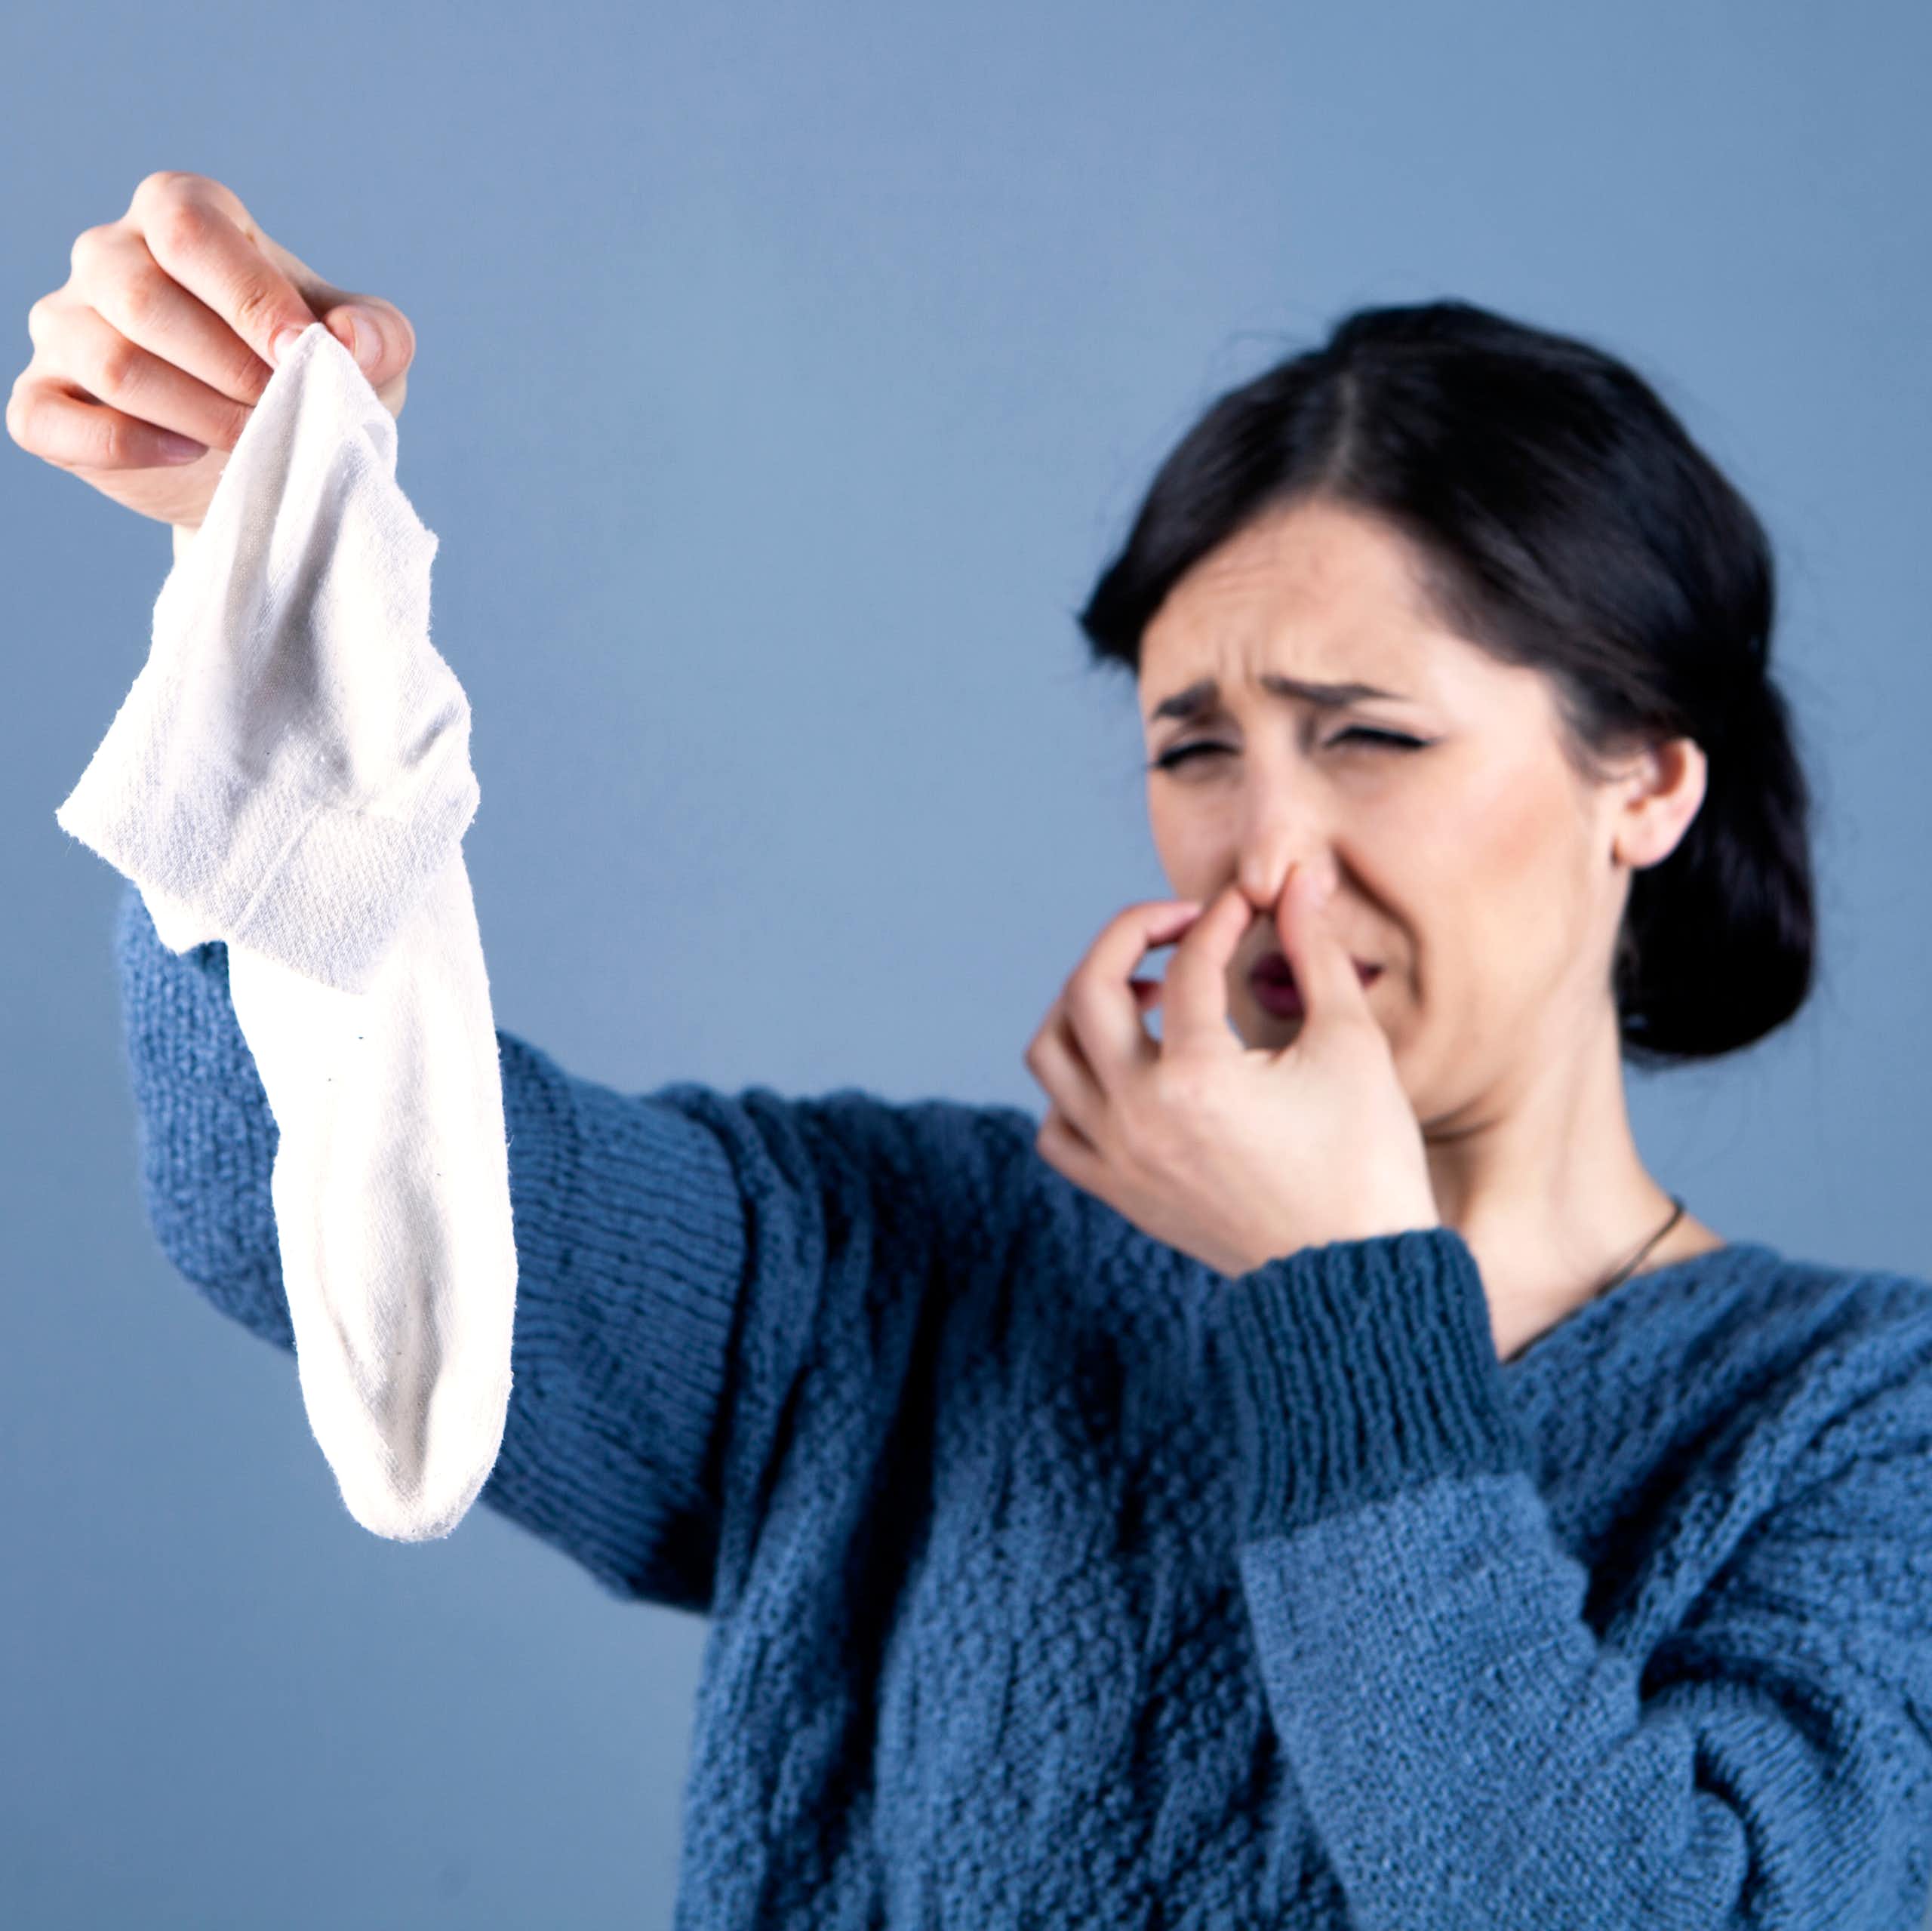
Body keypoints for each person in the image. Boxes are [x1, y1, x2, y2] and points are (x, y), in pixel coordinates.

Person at [17, 171, 1932, 1927]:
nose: (1263, 853)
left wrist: (1336, 1291)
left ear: (1646, 781)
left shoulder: (1859, 1426)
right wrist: (275, 570)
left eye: (1368, 736)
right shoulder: (904, 1265)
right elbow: (288, 1183)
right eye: (1193, 747)